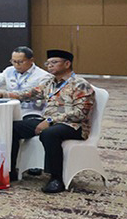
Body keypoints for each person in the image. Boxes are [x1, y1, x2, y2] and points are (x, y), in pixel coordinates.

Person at [10, 49, 96, 192]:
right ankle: (11, 170)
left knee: (49, 133)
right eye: (48, 63)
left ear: (67, 64)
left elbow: (81, 113)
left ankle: (56, 179)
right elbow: (29, 94)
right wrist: (4, 94)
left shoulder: (80, 84)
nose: (49, 66)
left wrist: (50, 121)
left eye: (54, 62)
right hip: (48, 121)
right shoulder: (49, 82)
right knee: (13, 127)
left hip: (74, 126)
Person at [0, 46, 51, 118]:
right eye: (14, 61)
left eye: (20, 62)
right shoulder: (9, 70)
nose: (16, 65)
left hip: (31, 110)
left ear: (31, 60)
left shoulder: (43, 75)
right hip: (9, 107)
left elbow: (34, 94)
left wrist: (3, 94)